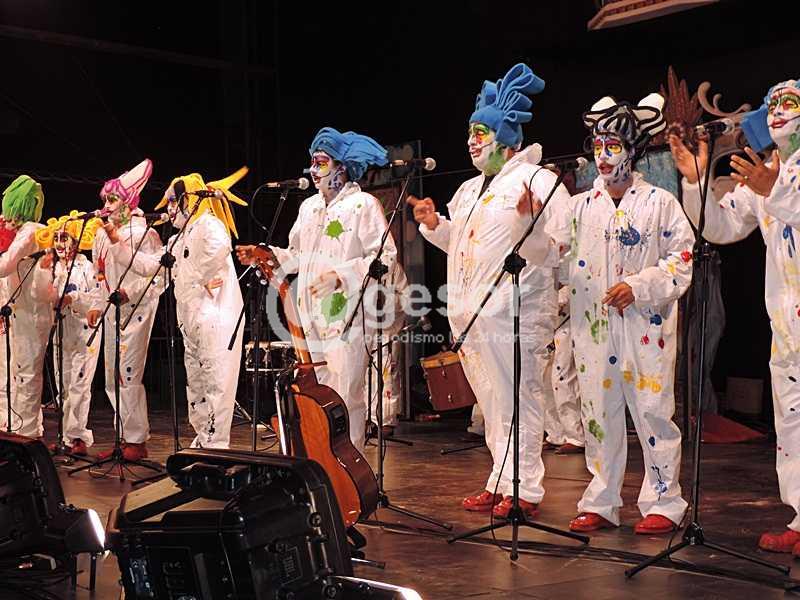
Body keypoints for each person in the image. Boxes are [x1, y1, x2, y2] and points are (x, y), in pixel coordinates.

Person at [521, 93, 694, 534]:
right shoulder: (578, 208)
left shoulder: (659, 202)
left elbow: (681, 259)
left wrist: (639, 286)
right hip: (592, 330)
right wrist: (529, 228)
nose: (603, 155)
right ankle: (601, 500)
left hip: (645, 329)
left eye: (612, 146)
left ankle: (664, 501)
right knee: (598, 415)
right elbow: (552, 257)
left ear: (632, 151)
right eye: (598, 146)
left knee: (653, 412)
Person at [410, 63, 570, 520]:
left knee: (520, 398)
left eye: (480, 132)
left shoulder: (538, 181)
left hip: (517, 312)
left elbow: (559, 246)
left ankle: (525, 487)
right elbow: (465, 244)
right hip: (472, 314)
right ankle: (500, 478)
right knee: (492, 402)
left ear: (507, 139)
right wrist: (435, 225)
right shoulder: (467, 190)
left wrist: (531, 224)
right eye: (470, 132)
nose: (471, 141)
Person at [670, 79, 800, 553]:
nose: (778, 112)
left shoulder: (772, 178)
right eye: (773, 104)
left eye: (790, 103)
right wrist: (696, 181)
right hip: (786, 325)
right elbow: (720, 227)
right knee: (791, 422)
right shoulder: (764, 170)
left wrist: (776, 190)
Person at [237, 128, 405, 452]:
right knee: (317, 394)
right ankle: (323, 463)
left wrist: (342, 275)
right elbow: (297, 255)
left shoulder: (362, 205)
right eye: (313, 162)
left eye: (322, 163)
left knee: (345, 395)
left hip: (347, 317)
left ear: (342, 167)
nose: (313, 170)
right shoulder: (309, 208)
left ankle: (349, 467)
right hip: (309, 316)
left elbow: (385, 257)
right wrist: (266, 255)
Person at [107, 168, 248, 449]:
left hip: (216, 318)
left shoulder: (208, 224)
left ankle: (216, 446)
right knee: (196, 385)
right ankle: (203, 441)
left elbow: (220, 248)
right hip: (192, 320)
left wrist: (196, 276)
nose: (169, 209)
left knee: (216, 383)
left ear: (188, 199)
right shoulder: (178, 238)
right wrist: (116, 242)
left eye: (173, 201)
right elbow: (153, 267)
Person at [86, 159, 164, 462]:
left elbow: (159, 276)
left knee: (127, 375)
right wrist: (97, 304)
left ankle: (136, 440)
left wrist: (129, 292)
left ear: (128, 202)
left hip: (136, 310)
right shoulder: (100, 235)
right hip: (111, 312)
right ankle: (124, 437)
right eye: (105, 199)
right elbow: (100, 274)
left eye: (113, 199)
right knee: (111, 377)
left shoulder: (145, 234)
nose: (106, 205)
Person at [31, 212, 104, 455]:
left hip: (84, 331)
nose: (60, 243)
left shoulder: (86, 266)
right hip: (62, 332)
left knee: (79, 385)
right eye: (57, 238)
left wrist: (73, 299)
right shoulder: (52, 268)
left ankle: (78, 436)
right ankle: (66, 436)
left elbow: (97, 295)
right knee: (63, 384)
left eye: (65, 238)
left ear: (75, 241)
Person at [0, 175, 51, 439]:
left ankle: (27, 435)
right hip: (17, 312)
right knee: (10, 372)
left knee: (27, 374)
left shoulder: (32, 230)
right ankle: (9, 427)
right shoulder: (20, 232)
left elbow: (5, 265)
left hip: (32, 312)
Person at [544, 281, 584, 454]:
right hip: (545, 322)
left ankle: (575, 435)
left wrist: (560, 297)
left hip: (567, 319)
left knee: (562, 376)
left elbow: (574, 281)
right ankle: (556, 433)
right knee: (544, 380)